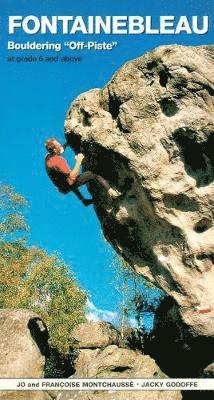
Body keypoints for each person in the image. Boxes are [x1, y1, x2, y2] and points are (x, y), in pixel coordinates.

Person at [45, 138, 119, 206]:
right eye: (58, 145)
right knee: (94, 173)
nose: (60, 145)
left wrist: (67, 143)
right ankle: (111, 191)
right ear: (54, 150)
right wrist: (78, 161)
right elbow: (72, 177)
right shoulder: (58, 161)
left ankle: (84, 201)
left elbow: (61, 150)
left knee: (67, 181)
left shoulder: (48, 157)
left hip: (61, 186)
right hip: (67, 183)